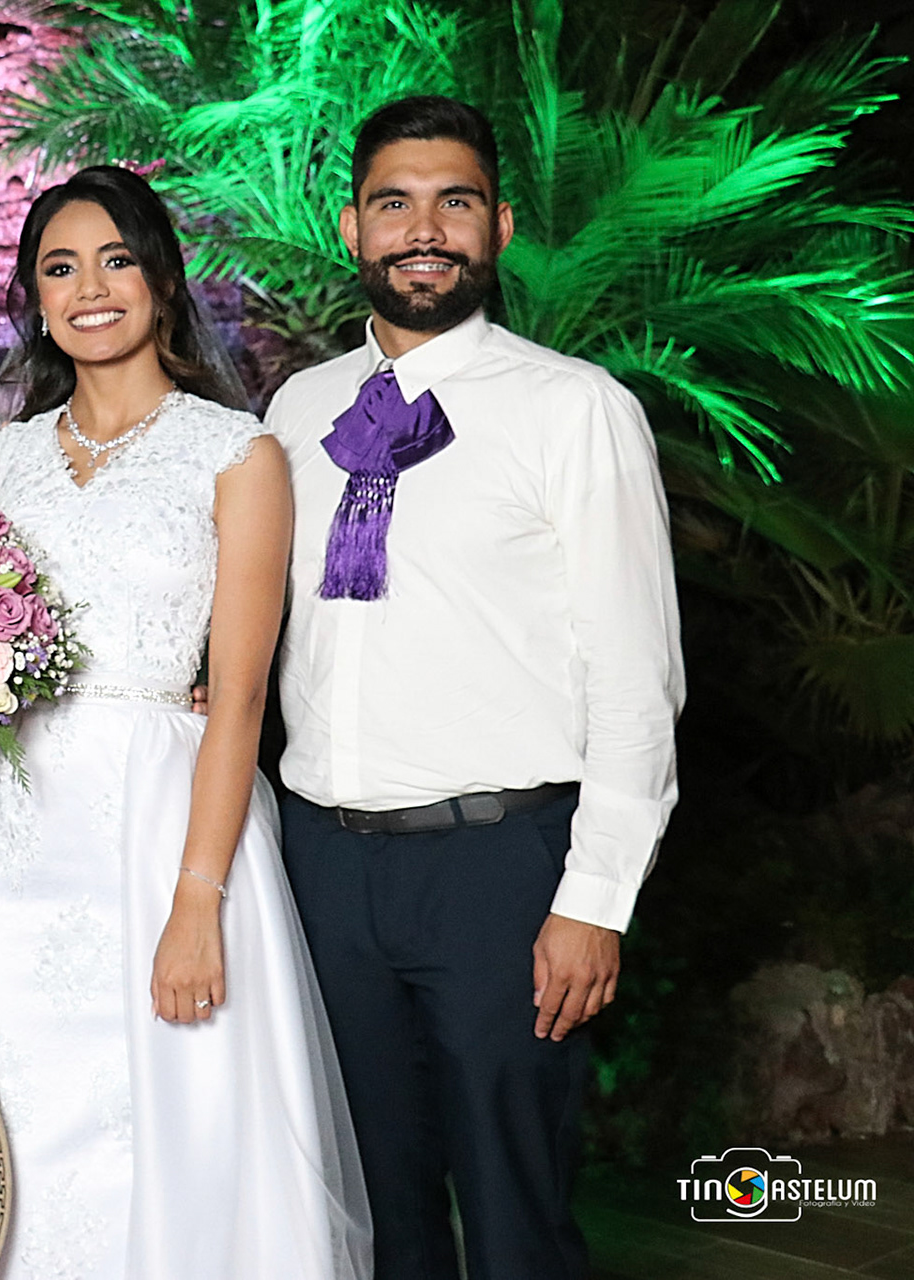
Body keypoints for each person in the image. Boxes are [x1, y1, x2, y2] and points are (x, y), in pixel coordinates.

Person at [266, 96, 684, 1280]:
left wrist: (595, 895)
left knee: (514, 1218)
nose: (424, 229)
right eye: (394, 203)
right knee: (370, 1212)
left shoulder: (574, 408)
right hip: (324, 866)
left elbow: (637, 673)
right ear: (353, 226)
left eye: (455, 202)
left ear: (498, 225)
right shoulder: (297, 410)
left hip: (498, 869)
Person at [0, 166, 372, 1279]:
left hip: (164, 826)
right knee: (13, 1107)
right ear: (36, 299)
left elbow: (240, 699)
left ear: (163, 281)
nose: (90, 288)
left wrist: (197, 899)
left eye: (116, 260)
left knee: (172, 1118)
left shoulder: (236, 454)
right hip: (16, 829)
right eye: (60, 268)